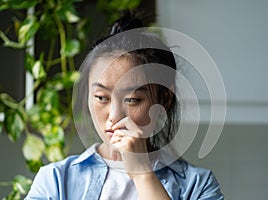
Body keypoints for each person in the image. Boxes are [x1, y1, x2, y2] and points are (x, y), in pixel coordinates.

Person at [25, 11, 224, 200]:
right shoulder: (55, 180)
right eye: (101, 97)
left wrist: (142, 173)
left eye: (132, 99)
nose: (114, 116)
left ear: (165, 99)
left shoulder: (198, 186)